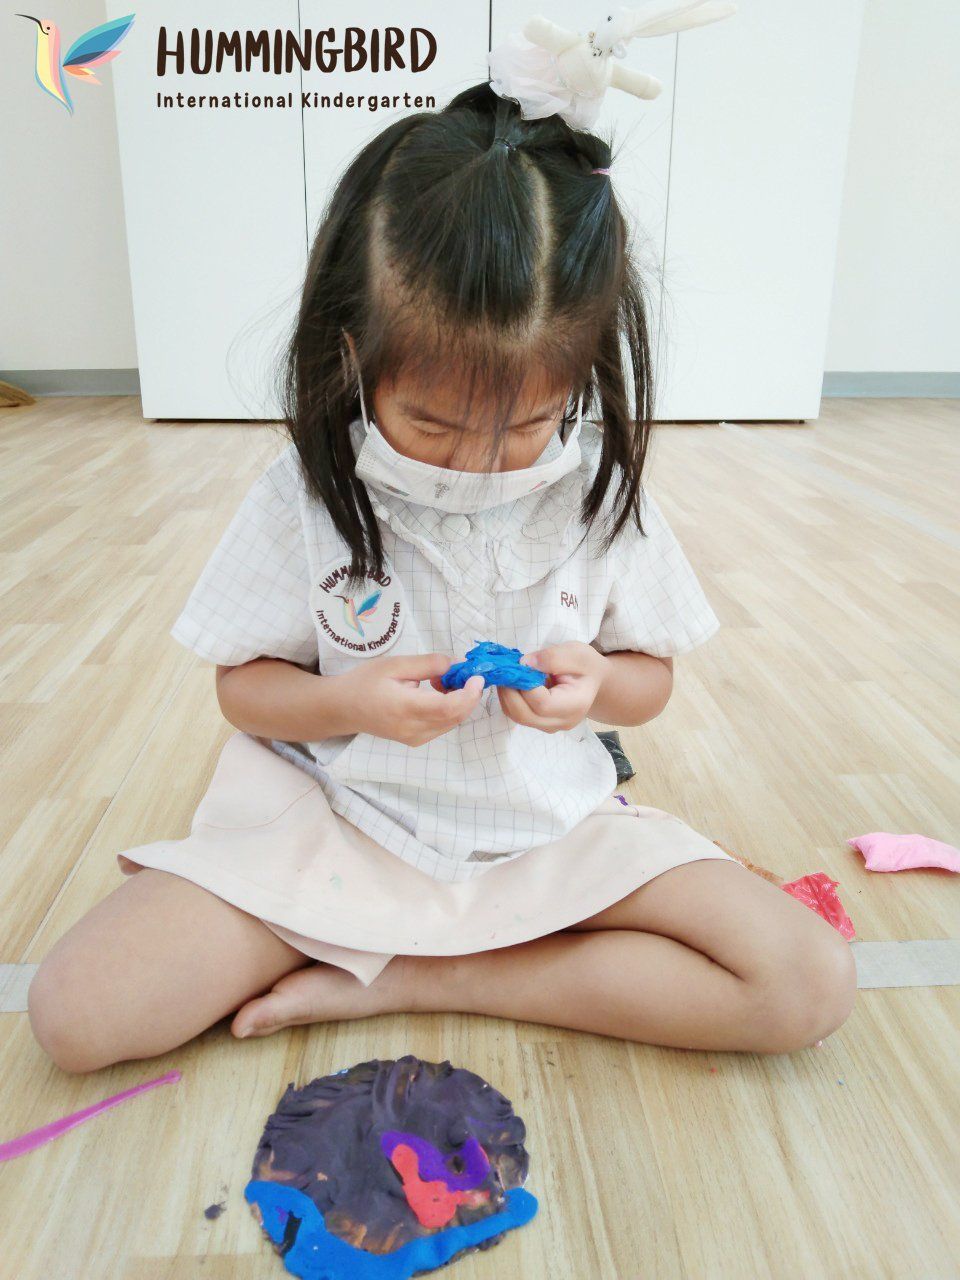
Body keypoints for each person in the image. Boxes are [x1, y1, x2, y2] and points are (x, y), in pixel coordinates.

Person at [27, 81, 856, 1075]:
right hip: (347, 823)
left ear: (581, 378)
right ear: (353, 353)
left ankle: (420, 973)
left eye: (526, 425)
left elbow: (651, 677)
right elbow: (241, 685)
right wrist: (345, 702)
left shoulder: (595, 489)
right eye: (430, 423)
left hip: (550, 833)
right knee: (76, 1012)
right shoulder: (309, 485)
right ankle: (392, 936)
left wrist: (597, 682)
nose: (475, 467)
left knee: (806, 980)